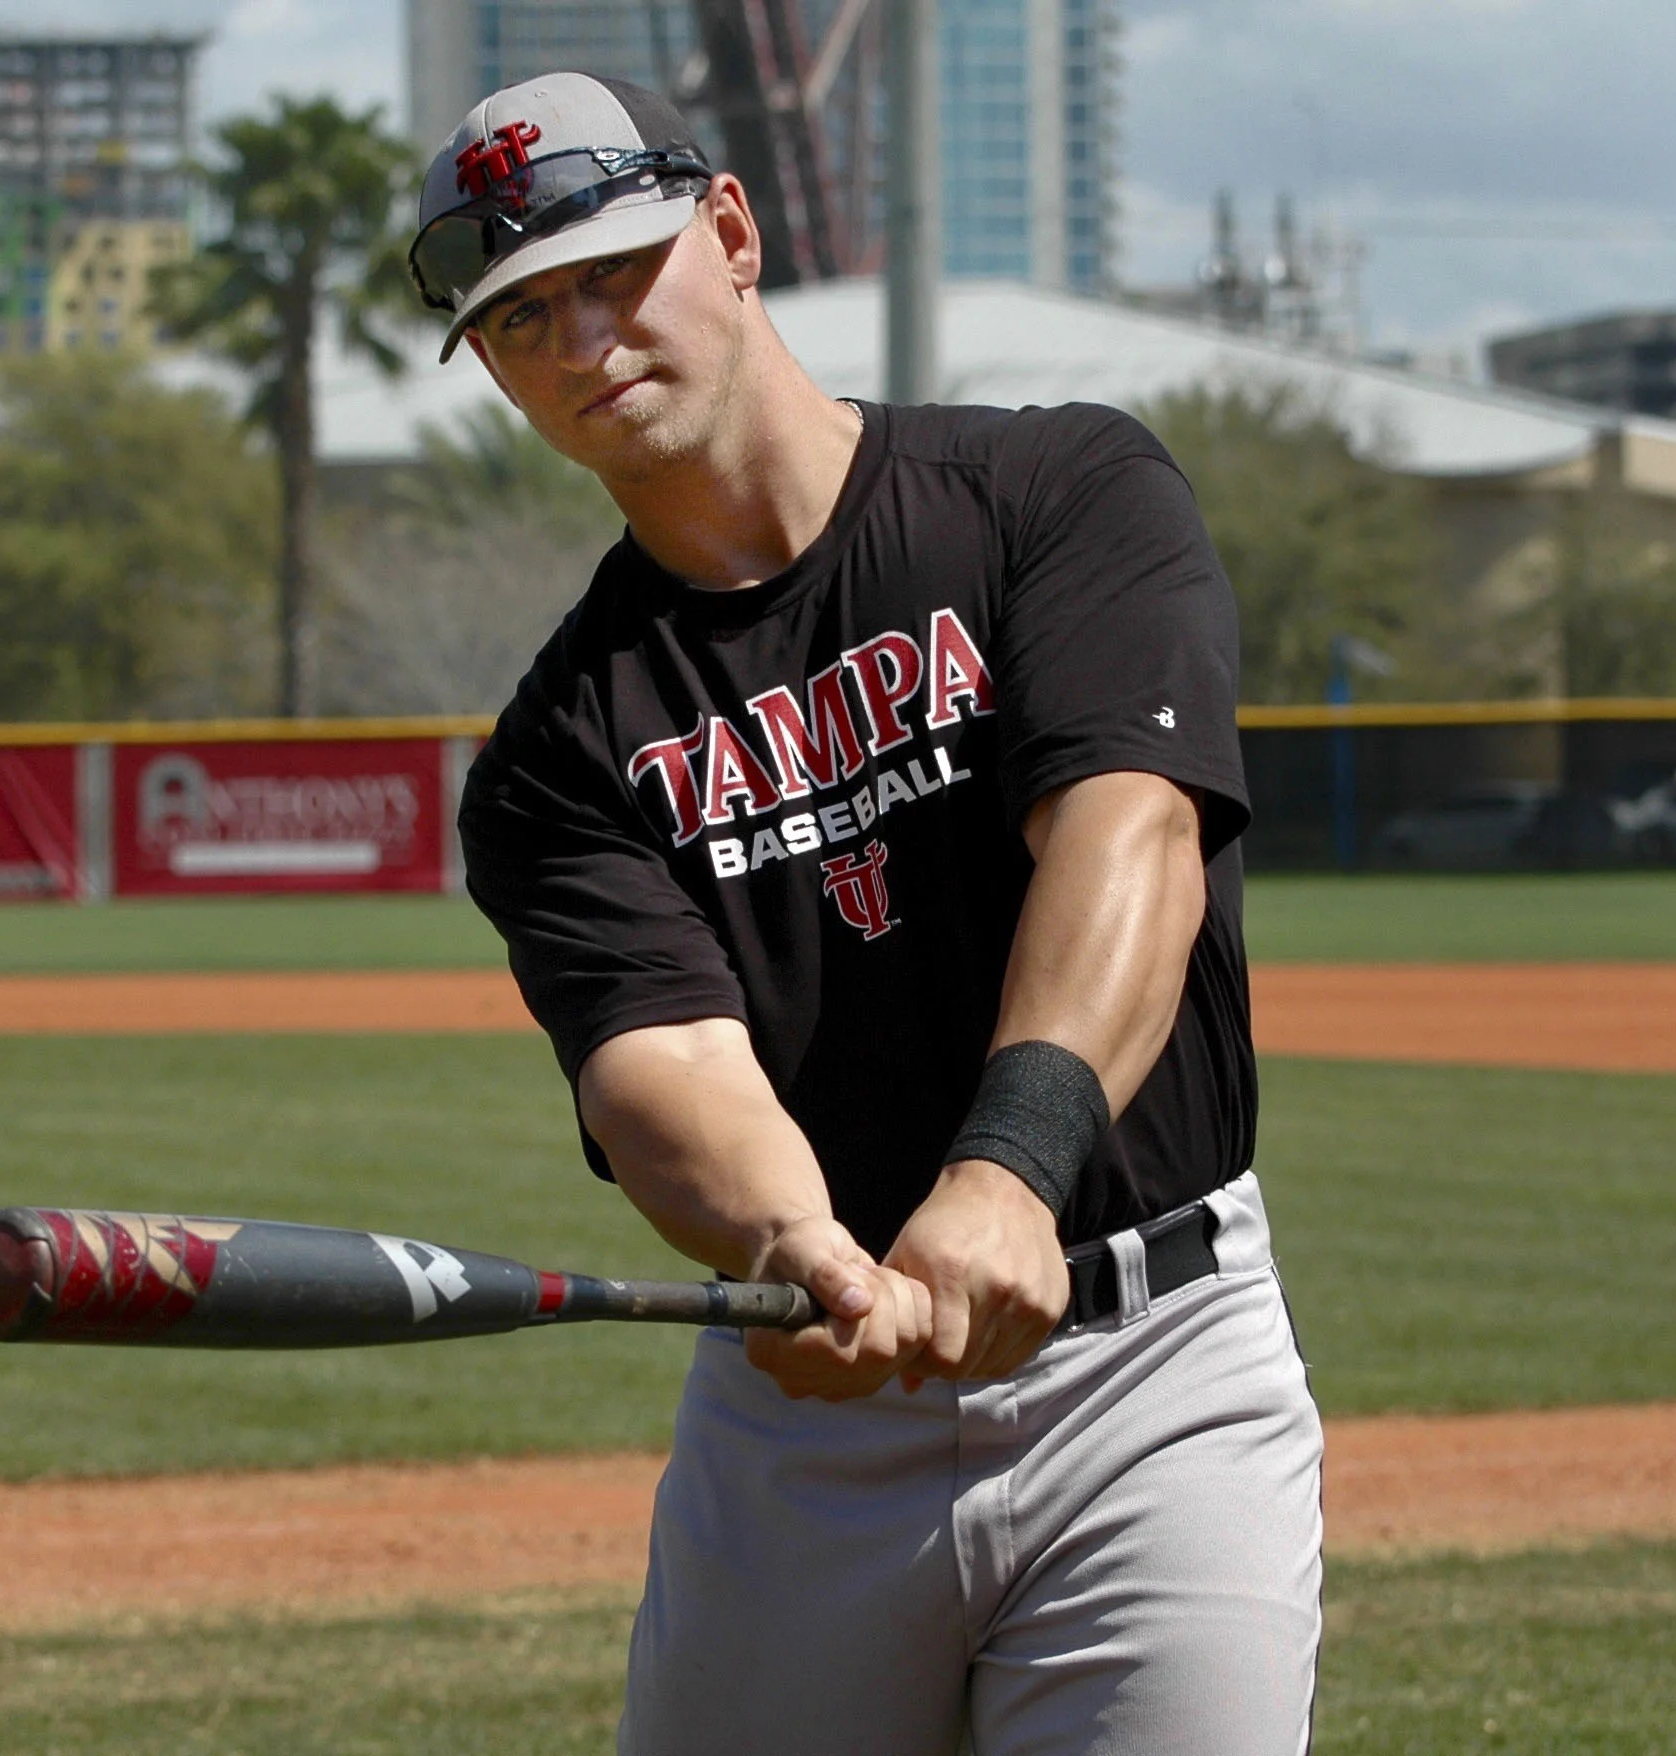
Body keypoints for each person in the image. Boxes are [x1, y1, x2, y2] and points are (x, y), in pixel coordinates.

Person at [415, 69, 1324, 1756]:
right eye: (521, 316)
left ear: (733, 232)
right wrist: (792, 1244)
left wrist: (1007, 1174)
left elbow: (1130, 834)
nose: (581, 337)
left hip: (1154, 1372)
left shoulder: (1059, 493)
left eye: (613, 271)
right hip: (808, 1416)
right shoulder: (553, 757)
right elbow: (667, 1063)